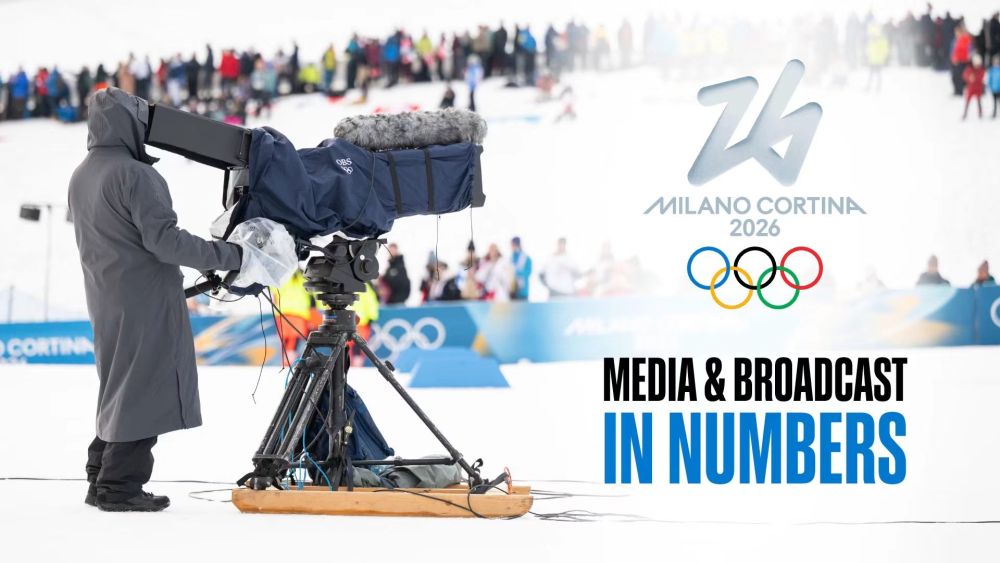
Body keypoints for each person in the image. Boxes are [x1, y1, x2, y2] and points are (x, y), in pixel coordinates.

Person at [67, 87, 278, 512]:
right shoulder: (135, 175)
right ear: (131, 123)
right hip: (145, 298)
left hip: (105, 295)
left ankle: (100, 473)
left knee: (119, 382)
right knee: (145, 386)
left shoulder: (83, 174)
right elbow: (165, 242)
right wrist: (234, 255)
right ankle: (119, 485)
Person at [273, 270, 315, 361]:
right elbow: (312, 295)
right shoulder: (304, 277)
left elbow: (274, 293)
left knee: (286, 341)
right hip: (299, 314)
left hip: (283, 313)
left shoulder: (281, 276)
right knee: (293, 341)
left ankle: (286, 361)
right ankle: (289, 361)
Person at [962, 54, 986, 119]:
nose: (977, 66)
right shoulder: (969, 69)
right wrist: (969, 77)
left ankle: (980, 113)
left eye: (978, 64)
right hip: (971, 88)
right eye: (976, 64)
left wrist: (975, 78)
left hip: (978, 88)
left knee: (979, 101)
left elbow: (982, 77)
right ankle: (965, 113)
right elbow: (965, 75)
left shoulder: (981, 70)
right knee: (968, 101)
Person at [510, 236, 532, 300]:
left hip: (522, 292)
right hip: (512, 291)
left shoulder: (526, 258)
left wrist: (516, 272)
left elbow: (528, 273)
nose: (511, 247)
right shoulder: (511, 257)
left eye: (512, 245)